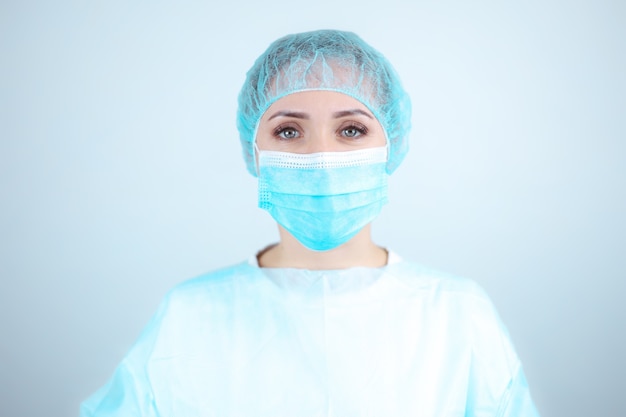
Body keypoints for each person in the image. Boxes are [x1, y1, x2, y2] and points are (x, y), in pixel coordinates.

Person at [80, 29, 540, 416]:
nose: (321, 158)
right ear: (254, 152)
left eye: (351, 130)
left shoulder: (456, 315)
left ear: (391, 144)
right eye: (288, 131)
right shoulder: (189, 317)